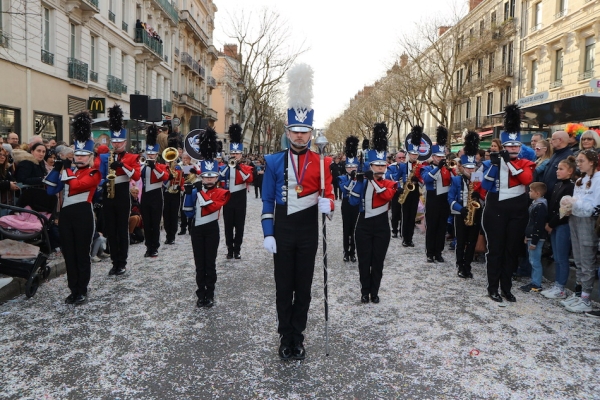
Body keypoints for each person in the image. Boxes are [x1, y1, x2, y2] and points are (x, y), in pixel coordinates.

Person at [261, 63, 334, 361]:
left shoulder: (322, 162)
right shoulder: (274, 161)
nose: (300, 136)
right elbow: (267, 200)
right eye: (295, 131)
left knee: (303, 288)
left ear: (311, 132)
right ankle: (284, 336)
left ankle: (298, 337)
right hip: (283, 230)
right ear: (288, 131)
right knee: (283, 288)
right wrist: (268, 233)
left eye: (305, 131)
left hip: (307, 231)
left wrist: (329, 205)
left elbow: (327, 194)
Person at [45, 111, 100, 305]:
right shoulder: (68, 170)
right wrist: (58, 167)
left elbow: (77, 185)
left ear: (91, 156)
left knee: (81, 253)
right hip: (66, 215)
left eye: (84, 155)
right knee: (69, 253)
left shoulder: (94, 173)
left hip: (83, 214)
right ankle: (73, 289)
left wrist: (66, 169)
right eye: (77, 154)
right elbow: (51, 190)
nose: (80, 158)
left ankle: (82, 289)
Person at [481, 104, 535, 303]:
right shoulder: (490, 163)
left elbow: (527, 180)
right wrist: (496, 166)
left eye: (516, 146)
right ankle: (492, 287)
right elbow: (485, 186)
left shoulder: (525, 163)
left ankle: (506, 288)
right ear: (503, 147)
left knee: (511, 250)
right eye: (509, 146)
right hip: (495, 208)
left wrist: (510, 163)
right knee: (495, 249)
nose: (513, 149)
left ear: (520, 148)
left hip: (518, 210)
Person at [183, 127, 230, 308]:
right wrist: (188, 195)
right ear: (201, 176)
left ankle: (209, 294)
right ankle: (200, 294)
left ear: (217, 177)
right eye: (206, 176)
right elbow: (187, 212)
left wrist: (197, 194)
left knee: (209, 264)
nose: (209, 180)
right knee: (199, 265)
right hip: (196, 229)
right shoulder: (196, 189)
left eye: (212, 176)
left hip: (211, 230)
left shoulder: (221, 192)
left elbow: (213, 206)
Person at [349, 123, 396, 303]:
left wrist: (373, 181)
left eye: (382, 165)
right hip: (363, 225)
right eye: (376, 165)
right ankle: (364, 291)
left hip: (382, 226)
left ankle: (374, 292)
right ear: (370, 165)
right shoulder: (363, 180)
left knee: (377, 262)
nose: (379, 169)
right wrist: (355, 181)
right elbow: (352, 201)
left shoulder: (390, 182)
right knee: (364, 261)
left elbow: (385, 196)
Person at [99, 105, 141, 276]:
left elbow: (136, 176)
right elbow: (100, 175)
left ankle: (122, 262)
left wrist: (122, 165)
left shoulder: (132, 157)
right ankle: (114, 261)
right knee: (111, 229)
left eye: (120, 142)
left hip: (123, 192)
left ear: (125, 142)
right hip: (108, 193)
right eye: (114, 142)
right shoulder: (104, 156)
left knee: (122, 229)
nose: (116, 144)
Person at [561, 150, 600, 314]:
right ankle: (579, 293)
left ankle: (586, 297)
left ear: (592, 162)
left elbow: (594, 206)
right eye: (577, 161)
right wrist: (568, 206)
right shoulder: (580, 180)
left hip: (588, 221)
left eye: (581, 161)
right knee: (577, 257)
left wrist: (575, 203)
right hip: (575, 219)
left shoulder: (598, 180)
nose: (578, 164)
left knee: (587, 259)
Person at [448, 131, 485, 279]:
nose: (471, 170)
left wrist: (479, 195)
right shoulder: (457, 180)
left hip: (475, 214)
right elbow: (450, 198)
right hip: (461, 214)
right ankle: (460, 264)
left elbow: (485, 195)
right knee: (461, 240)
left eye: (473, 168)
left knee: (472, 242)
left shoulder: (478, 178)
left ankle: (468, 265)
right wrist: (460, 209)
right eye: (468, 168)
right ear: (462, 167)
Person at [541, 156, 575, 300]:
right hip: (554, 225)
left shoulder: (570, 187)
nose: (557, 171)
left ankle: (561, 287)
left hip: (562, 225)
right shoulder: (557, 185)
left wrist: (552, 223)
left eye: (561, 169)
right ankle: (557, 284)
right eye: (557, 168)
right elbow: (553, 207)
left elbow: (565, 211)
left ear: (570, 171)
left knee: (562, 257)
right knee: (557, 256)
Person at [219, 123, 253, 260]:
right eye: (232, 153)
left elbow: (248, 179)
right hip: (228, 197)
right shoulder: (225, 166)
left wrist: (238, 167)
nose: (234, 155)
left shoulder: (246, 167)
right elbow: (220, 176)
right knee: (228, 226)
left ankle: (237, 249)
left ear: (241, 154)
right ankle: (229, 249)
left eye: (236, 153)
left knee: (239, 225)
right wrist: (229, 166)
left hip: (240, 198)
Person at [421, 126, 454, 263]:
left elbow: (454, 180)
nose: (441, 159)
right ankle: (430, 253)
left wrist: (452, 170)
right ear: (433, 157)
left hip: (444, 200)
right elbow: (426, 179)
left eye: (442, 156)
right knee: (432, 227)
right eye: (438, 156)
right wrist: (438, 169)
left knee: (441, 227)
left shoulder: (448, 168)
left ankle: (439, 252)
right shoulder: (427, 167)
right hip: (432, 199)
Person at [140, 126, 170, 257]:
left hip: (156, 196)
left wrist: (154, 168)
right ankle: (148, 246)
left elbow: (164, 177)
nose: (150, 156)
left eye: (152, 154)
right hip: (145, 196)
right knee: (146, 223)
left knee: (155, 223)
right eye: (148, 154)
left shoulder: (161, 166)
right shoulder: (142, 166)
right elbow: (136, 176)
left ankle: (155, 246)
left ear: (157, 155)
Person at [519, 182, 548, 293]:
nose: (529, 193)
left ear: (537, 193)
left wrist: (534, 241)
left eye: (531, 191)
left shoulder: (540, 206)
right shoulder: (535, 204)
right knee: (532, 260)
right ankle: (533, 281)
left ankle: (537, 283)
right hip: (531, 236)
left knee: (535, 261)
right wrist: (527, 236)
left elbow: (538, 225)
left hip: (536, 238)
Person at [400, 126, 424, 248]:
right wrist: (401, 187)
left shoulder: (420, 166)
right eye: (412, 154)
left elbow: (423, 181)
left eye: (416, 154)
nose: (414, 156)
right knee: (405, 216)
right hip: (405, 191)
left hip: (415, 192)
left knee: (412, 216)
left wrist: (418, 180)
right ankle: (405, 238)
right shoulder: (403, 166)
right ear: (408, 154)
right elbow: (397, 178)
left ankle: (410, 238)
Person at [338, 136, 360, 262]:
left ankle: (353, 252)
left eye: (354, 167)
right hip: (346, 204)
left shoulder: (360, 178)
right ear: (346, 168)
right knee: (347, 228)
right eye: (349, 167)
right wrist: (352, 178)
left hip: (356, 204)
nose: (352, 169)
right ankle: (346, 251)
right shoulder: (342, 178)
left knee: (355, 229)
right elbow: (345, 189)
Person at [540, 131, 573, 200]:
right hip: (548, 195)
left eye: (553, 139)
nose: (551, 142)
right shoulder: (555, 154)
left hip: (558, 196)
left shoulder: (568, 156)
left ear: (560, 140)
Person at [387, 151, 405, 238]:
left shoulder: (407, 166)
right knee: (395, 212)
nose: (402, 159)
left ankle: (403, 231)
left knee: (404, 213)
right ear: (396, 159)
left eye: (403, 158)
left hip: (406, 191)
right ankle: (394, 230)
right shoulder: (391, 167)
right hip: (395, 192)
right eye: (400, 158)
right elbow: (389, 177)